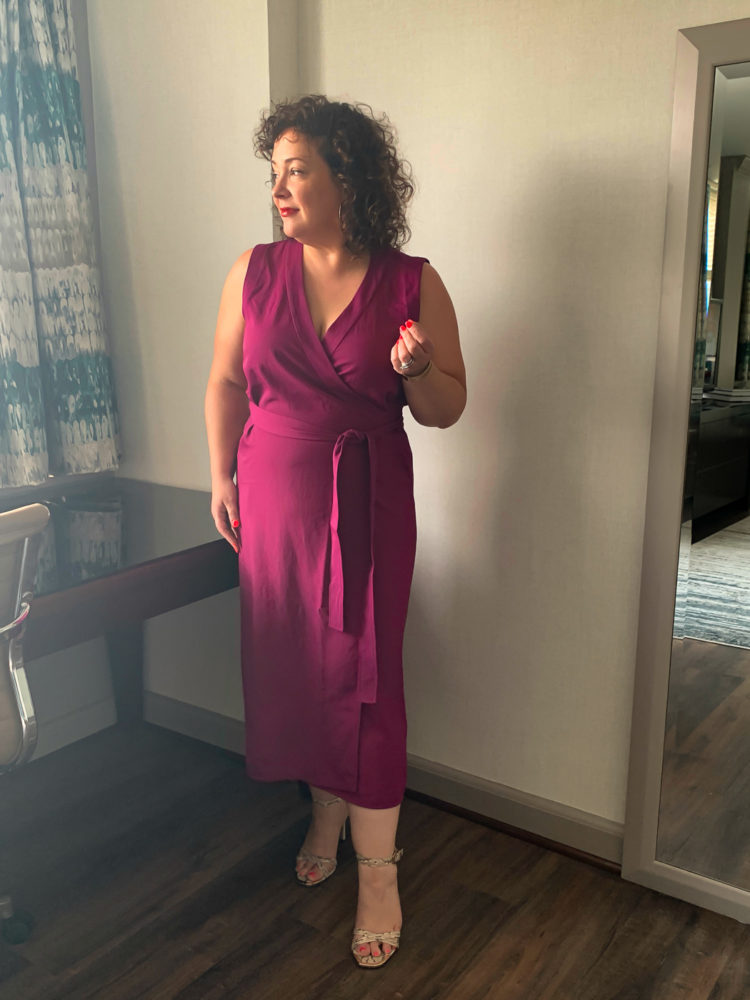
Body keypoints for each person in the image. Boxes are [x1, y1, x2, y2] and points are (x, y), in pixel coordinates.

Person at [205, 95, 466, 969]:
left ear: (346, 175)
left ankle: (380, 870)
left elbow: (444, 411)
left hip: (366, 503)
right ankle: (324, 807)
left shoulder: (411, 281)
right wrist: (219, 475)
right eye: (272, 172)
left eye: (297, 169)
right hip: (273, 505)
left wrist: (420, 369)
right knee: (295, 663)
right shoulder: (251, 270)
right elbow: (225, 384)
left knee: (366, 677)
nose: (278, 188)